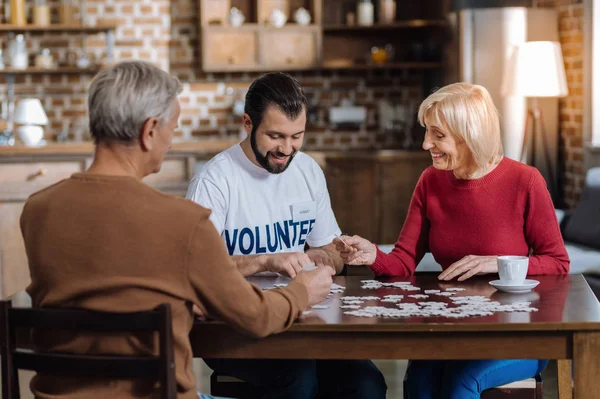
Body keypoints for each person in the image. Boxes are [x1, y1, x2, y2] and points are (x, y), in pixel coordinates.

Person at [20, 61, 335, 399]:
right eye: (172, 128)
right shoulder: (182, 221)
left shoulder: (37, 210)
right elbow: (255, 317)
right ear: (149, 130)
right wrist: (301, 290)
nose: (170, 142)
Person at [334, 82, 570, 398]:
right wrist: (372, 254)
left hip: (516, 334)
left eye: (437, 135)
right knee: (418, 385)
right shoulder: (430, 181)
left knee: (460, 384)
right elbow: (404, 259)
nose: (425, 143)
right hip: (447, 329)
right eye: (426, 132)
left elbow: (558, 263)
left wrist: (496, 263)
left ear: (469, 133)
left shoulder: (525, 181)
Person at [186, 72, 387, 399]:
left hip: (304, 322)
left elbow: (328, 248)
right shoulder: (214, 181)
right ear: (248, 124)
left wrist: (331, 256)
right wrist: (266, 261)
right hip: (234, 329)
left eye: (297, 137)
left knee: (367, 385)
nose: (286, 149)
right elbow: (194, 271)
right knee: (299, 379)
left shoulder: (307, 170)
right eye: (276, 136)